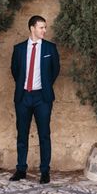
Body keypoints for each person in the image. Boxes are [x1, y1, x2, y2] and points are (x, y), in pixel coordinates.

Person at [10, 15, 60, 184]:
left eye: (45, 27)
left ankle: (45, 171)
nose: (44, 30)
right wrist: (25, 87)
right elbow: (15, 71)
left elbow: (55, 71)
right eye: (41, 27)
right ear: (32, 28)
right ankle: (21, 169)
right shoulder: (19, 49)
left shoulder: (50, 48)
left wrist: (44, 85)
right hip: (23, 97)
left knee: (44, 135)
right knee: (22, 135)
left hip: (42, 98)